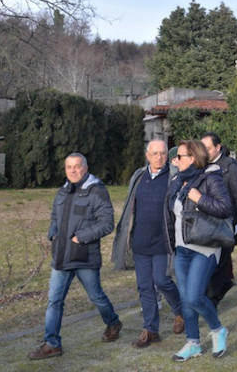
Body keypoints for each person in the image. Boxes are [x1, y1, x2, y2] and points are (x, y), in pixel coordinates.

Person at [27, 153, 122, 360]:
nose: (72, 170)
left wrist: (81, 237)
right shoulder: (63, 190)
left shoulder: (97, 191)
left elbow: (106, 223)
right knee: (54, 300)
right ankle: (52, 344)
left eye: (77, 166)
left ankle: (113, 322)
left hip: (84, 257)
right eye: (69, 167)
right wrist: (52, 233)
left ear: (85, 168)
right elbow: (55, 216)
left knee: (96, 296)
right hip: (61, 256)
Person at [111, 140, 184, 348]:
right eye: (155, 153)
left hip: (163, 240)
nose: (159, 157)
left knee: (162, 280)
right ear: (147, 155)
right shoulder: (139, 176)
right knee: (144, 286)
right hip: (140, 241)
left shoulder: (174, 176)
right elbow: (128, 207)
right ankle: (151, 330)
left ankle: (180, 310)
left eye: (162, 153)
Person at [165, 140, 232, 361]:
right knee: (186, 299)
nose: (175, 160)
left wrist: (199, 199)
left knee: (194, 297)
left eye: (180, 157)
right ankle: (193, 343)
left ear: (193, 158)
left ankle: (217, 329)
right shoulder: (177, 181)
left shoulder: (211, 178)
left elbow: (224, 208)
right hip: (182, 249)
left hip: (205, 248)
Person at [201, 132, 237, 308]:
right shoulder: (201, 166)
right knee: (212, 264)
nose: (205, 152)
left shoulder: (231, 168)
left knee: (218, 264)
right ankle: (222, 286)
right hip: (207, 226)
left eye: (208, 148)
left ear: (217, 147)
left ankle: (212, 301)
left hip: (229, 225)